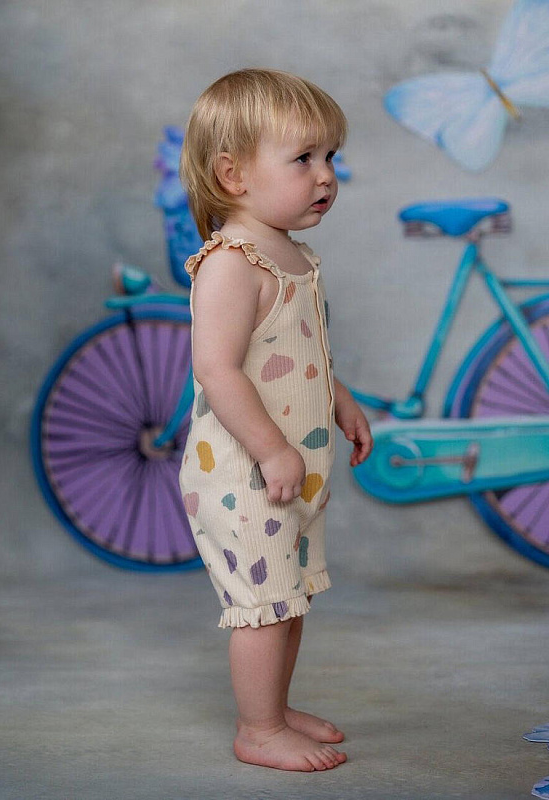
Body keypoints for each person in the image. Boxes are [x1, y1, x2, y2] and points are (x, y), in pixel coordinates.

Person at [178, 68, 373, 772]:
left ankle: (274, 708)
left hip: (291, 467)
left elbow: (292, 352)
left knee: (288, 599)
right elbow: (218, 369)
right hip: (244, 472)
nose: (325, 176)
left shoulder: (293, 254)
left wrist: (339, 398)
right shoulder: (232, 264)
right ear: (232, 175)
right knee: (263, 606)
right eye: (303, 158)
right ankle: (257, 729)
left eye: (330, 156)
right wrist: (269, 449)